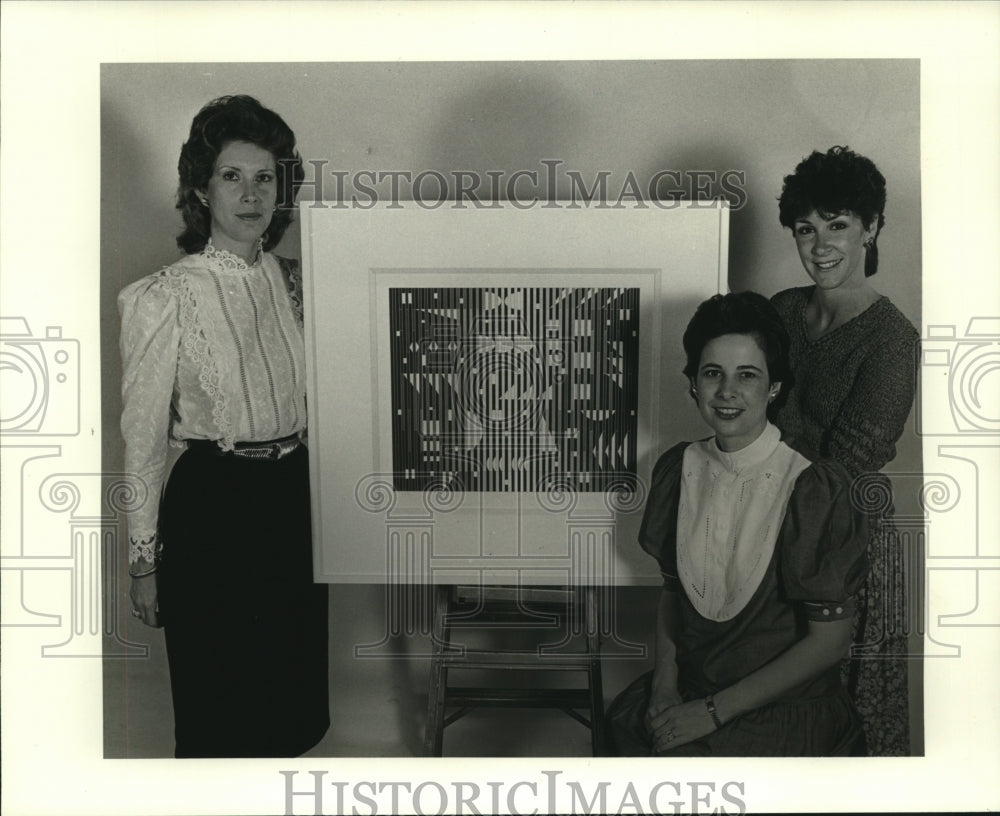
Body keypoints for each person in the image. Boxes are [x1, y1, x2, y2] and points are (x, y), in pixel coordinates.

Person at [119, 95, 329, 758]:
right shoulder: (166, 294)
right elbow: (145, 437)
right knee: (223, 704)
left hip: (294, 499)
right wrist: (144, 561)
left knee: (289, 698)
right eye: (231, 176)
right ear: (201, 189)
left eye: (265, 177)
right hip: (213, 509)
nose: (250, 193)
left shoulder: (301, 284)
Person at [606, 292, 868, 756]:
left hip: (779, 711)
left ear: (774, 388)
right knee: (625, 736)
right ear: (693, 384)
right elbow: (674, 596)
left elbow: (829, 644)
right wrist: (665, 687)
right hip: (690, 693)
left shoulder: (812, 484)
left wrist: (709, 712)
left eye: (747, 375)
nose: (727, 392)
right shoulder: (676, 468)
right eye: (713, 374)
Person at [772, 146, 919, 756]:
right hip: (769, 524)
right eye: (807, 229)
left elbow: (849, 463)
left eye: (838, 225)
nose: (821, 244)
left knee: (843, 724)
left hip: (847, 542)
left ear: (872, 228)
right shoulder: (779, 311)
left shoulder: (891, 337)